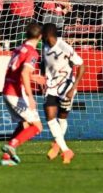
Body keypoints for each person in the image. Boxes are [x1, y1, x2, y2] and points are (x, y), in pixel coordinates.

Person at [0, 22, 44, 166]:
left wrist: (34, 77)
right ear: (40, 37)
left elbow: (18, 71)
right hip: (17, 93)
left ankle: (7, 157)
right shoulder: (33, 52)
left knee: (24, 124)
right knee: (37, 127)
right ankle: (12, 145)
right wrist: (30, 97)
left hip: (6, 90)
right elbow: (24, 73)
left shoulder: (18, 49)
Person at [40, 23, 84, 164]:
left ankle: (58, 145)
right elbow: (44, 64)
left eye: (43, 34)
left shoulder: (64, 47)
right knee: (49, 115)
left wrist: (73, 88)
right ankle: (66, 150)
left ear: (48, 35)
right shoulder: (44, 47)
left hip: (66, 88)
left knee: (62, 118)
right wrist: (43, 80)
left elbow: (81, 65)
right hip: (51, 87)